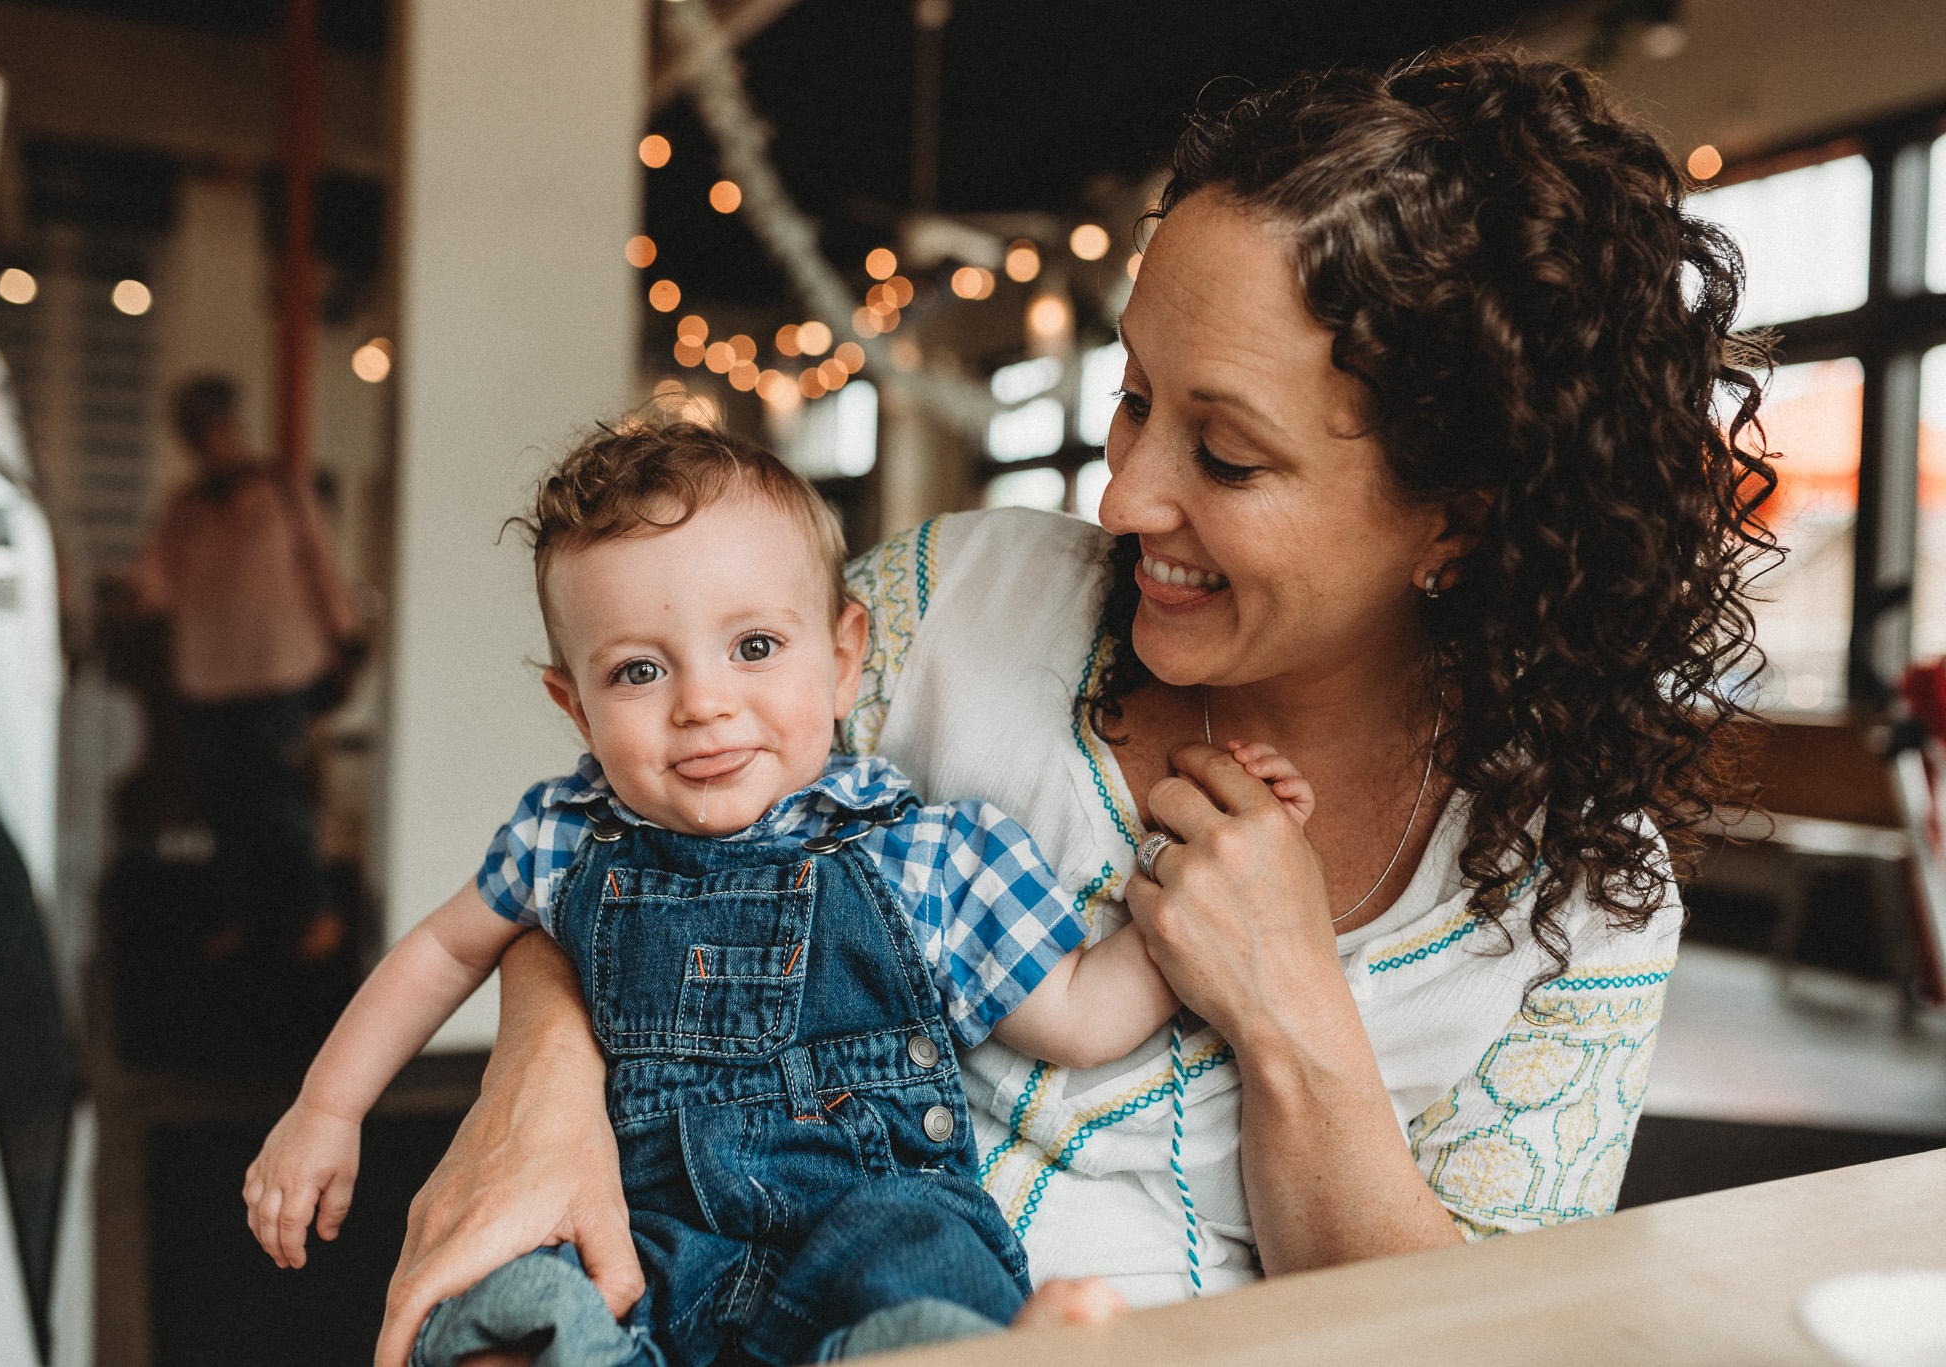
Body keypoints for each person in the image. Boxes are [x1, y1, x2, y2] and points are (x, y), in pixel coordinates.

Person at [370, 46, 1775, 1366]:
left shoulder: (1581, 907)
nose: (1121, 496)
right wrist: (540, 1078)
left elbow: (1479, 1342)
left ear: (1455, 521)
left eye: (1224, 455)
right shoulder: (943, 608)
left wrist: (1296, 1023)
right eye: (1131, 401)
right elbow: (642, 845)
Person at [242, 421, 1316, 1365]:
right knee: (510, 1292)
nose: (704, 704)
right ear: (572, 705)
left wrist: (1196, 866)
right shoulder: (565, 833)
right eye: (637, 671)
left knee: (928, 1249)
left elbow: (1080, 1011)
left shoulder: (927, 853)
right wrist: (325, 1107)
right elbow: (438, 951)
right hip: (645, 1237)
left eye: (754, 646)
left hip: (860, 1231)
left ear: (844, 657)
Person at [131, 374, 360, 964]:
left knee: (277, 794)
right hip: (205, 676)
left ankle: (317, 909)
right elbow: (155, 583)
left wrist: (345, 635)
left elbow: (320, 565)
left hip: (278, 670)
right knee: (222, 803)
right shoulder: (183, 508)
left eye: (215, 423)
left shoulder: (283, 488)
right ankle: (241, 914)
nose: (209, 437)